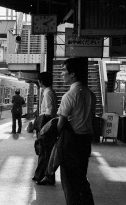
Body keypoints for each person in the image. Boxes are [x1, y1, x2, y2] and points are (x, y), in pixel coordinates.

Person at [57, 57, 95, 205]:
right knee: (81, 179)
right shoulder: (90, 94)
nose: (61, 74)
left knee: (69, 182)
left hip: (71, 143)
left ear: (72, 74)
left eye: (63, 71)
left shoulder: (70, 95)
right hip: (86, 142)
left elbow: (61, 124)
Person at [33, 72, 58, 185]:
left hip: (46, 125)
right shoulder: (48, 92)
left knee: (45, 152)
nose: (38, 82)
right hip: (46, 124)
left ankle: (44, 176)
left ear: (41, 82)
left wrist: (42, 124)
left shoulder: (48, 93)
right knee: (43, 151)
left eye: (39, 81)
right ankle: (40, 175)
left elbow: (50, 111)